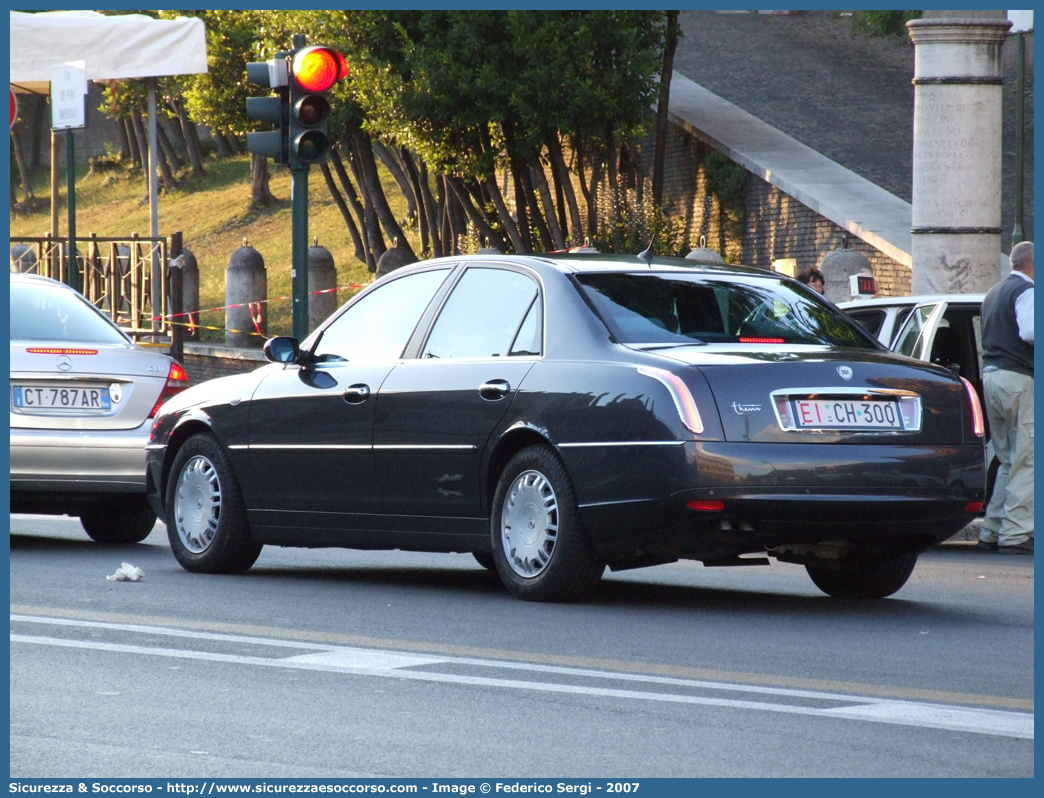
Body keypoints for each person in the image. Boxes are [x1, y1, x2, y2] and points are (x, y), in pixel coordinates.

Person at [978, 240, 1034, 555]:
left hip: (993, 377)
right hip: (1019, 379)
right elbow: (1030, 332)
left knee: (1006, 458)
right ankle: (1016, 535)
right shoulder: (1027, 291)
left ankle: (992, 529)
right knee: (1028, 458)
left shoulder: (993, 292)